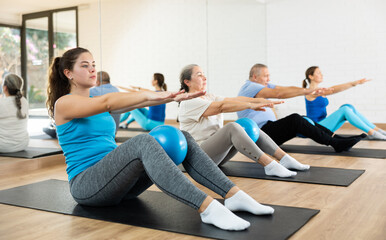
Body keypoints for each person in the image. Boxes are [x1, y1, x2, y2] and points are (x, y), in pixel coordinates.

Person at [46, 47, 276, 231]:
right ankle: (208, 208)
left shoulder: (96, 101)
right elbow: (109, 102)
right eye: (84, 66)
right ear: (68, 73)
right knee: (144, 141)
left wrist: (172, 97)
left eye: (94, 64)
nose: (92, 69)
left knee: (181, 135)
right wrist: (157, 95)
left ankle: (234, 195)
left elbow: (139, 102)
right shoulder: (64, 103)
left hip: (119, 184)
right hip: (88, 186)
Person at [178, 64, 310, 178]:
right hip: (198, 159)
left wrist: (261, 101)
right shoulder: (188, 102)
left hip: (216, 155)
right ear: (187, 82)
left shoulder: (209, 97)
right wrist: (250, 106)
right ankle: (269, 165)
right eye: (199, 75)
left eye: (204, 74)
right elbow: (221, 107)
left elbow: (235, 100)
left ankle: (285, 158)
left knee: (247, 124)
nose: (204, 77)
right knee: (231, 127)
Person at [237, 64, 363, 152]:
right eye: (266, 76)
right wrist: (308, 91)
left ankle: (338, 139)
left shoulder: (261, 84)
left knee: (304, 119)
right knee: (295, 119)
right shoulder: (251, 87)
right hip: (260, 134)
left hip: (268, 130)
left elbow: (284, 89)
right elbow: (278, 94)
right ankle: (336, 143)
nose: (268, 79)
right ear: (254, 76)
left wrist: (309, 90)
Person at [303, 66, 386, 140]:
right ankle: (372, 133)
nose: (322, 75)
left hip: (324, 124)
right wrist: (353, 84)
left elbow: (333, 89)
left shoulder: (320, 91)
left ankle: (377, 130)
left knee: (348, 106)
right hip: (315, 128)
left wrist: (354, 83)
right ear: (311, 76)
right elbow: (334, 89)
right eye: (318, 73)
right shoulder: (309, 93)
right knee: (345, 110)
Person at [0, 73, 29, 153]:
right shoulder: (24, 101)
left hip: (2, 146)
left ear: (5, 88)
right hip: (22, 144)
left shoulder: (1, 103)